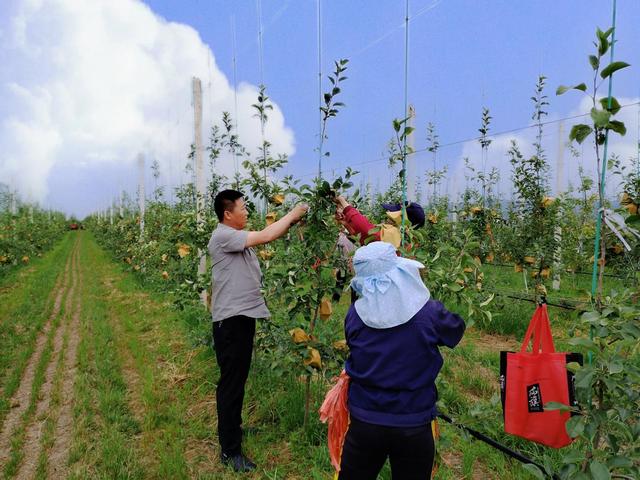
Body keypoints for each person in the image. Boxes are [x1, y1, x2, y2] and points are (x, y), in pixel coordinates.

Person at [338, 241, 465, 479]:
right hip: (413, 421)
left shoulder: (355, 315)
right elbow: (455, 330)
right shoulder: (428, 313)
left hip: (365, 419)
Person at [208, 189, 308, 472]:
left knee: (237, 381)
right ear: (228, 214)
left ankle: (234, 431)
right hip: (231, 322)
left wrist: (292, 225)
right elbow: (266, 235)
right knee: (231, 384)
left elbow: (266, 235)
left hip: (240, 319)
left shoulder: (237, 238)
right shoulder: (223, 235)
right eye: (242, 207)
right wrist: (293, 213)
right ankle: (230, 451)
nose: (247, 211)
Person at [333, 195, 425, 248]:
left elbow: (366, 230)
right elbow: (364, 239)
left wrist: (343, 202)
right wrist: (345, 223)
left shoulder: (395, 236)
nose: (388, 213)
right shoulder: (402, 240)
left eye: (392, 213)